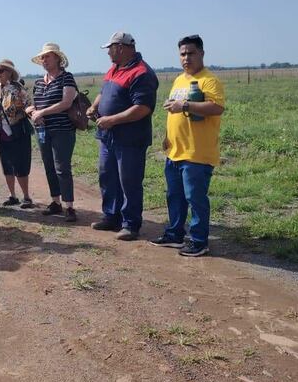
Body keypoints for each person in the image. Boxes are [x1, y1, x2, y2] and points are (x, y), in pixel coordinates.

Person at [150, 35, 225, 257]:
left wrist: (185, 104)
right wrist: (166, 135)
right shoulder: (179, 80)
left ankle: (199, 241)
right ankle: (174, 234)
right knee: (175, 196)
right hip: (175, 151)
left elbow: (216, 107)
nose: (186, 58)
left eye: (191, 53)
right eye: (182, 54)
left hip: (197, 152)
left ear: (201, 53)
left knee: (196, 198)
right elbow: (173, 110)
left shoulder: (209, 80)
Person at [87, 32, 159, 241]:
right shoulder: (114, 69)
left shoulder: (141, 72)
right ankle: (111, 216)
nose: (108, 52)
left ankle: (130, 223)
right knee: (107, 177)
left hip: (130, 139)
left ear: (121, 47)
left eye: (110, 48)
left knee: (129, 180)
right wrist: (94, 106)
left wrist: (112, 120)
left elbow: (143, 108)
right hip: (108, 137)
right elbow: (103, 92)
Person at [26, 43, 78, 222]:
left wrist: (42, 112)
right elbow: (36, 104)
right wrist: (33, 112)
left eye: (47, 56)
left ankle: (69, 206)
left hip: (62, 130)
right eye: (42, 57)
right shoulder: (39, 82)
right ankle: (55, 202)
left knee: (62, 168)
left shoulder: (67, 78)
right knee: (49, 166)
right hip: (42, 130)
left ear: (57, 58)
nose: (44, 60)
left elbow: (66, 103)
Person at [0, 59, 34, 208]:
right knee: (7, 164)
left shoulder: (18, 89)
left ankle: (26, 197)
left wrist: (34, 115)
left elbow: (29, 106)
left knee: (21, 164)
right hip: (0, 134)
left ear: (10, 73)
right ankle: (12, 196)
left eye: (1, 71)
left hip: (18, 132)